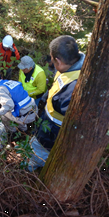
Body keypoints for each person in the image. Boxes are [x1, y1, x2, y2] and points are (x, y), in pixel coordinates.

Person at [27, 35, 85, 171]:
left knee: (38, 152)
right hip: (47, 120)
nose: (51, 62)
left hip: (53, 131)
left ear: (58, 61)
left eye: (52, 59)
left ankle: (31, 170)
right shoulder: (72, 65)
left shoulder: (75, 87)